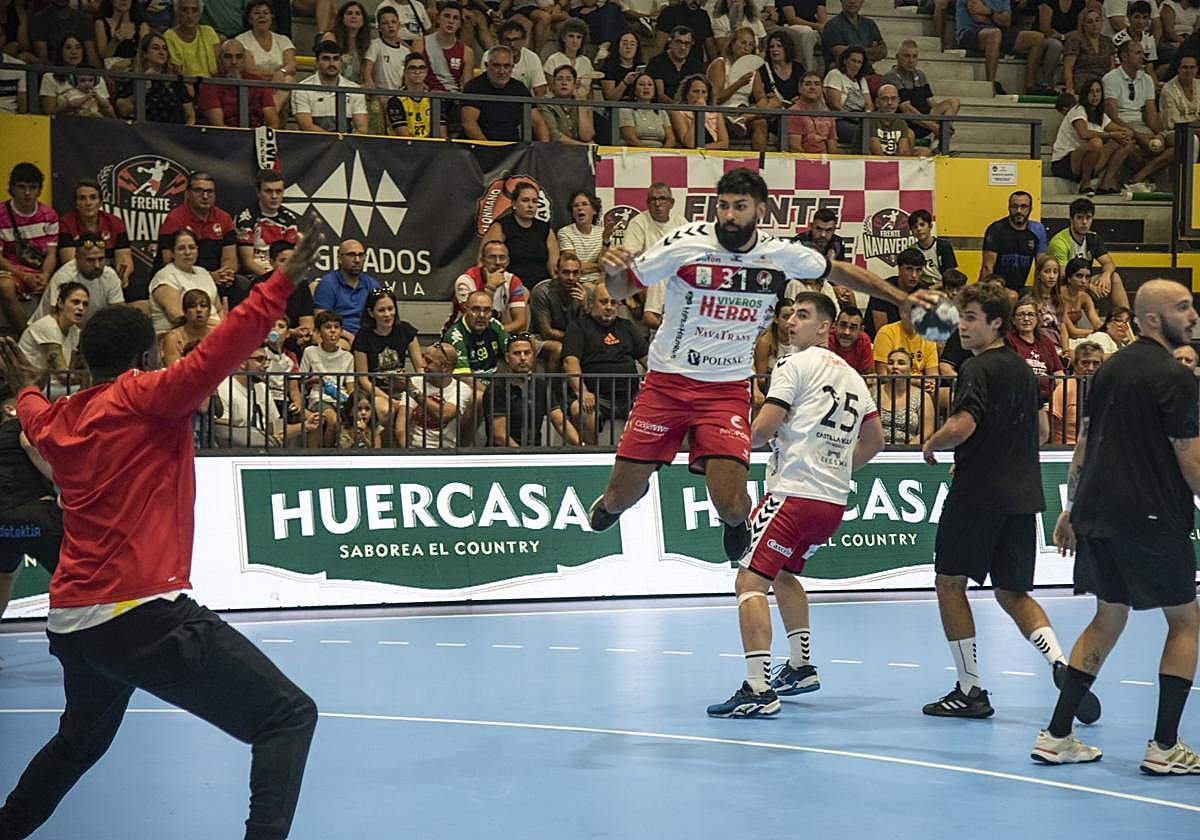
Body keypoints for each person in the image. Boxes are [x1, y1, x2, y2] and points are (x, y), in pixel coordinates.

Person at [0, 216, 321, 839]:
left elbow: (33, 414)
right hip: (141, 614)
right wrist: (277, 283)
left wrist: (27, 387)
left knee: (77, 744)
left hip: (74, 623)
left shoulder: (61, 418)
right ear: (144, 357)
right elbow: (221, 349)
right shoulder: (146, 397)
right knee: (287, 717)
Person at [592, 168, 935, 562]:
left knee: (732, 504)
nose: (730, 216)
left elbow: (838, 271)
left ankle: (735, 523)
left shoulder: (778, 253)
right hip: (666, 384)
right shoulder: (684, 244)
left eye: (740, 207)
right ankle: (610, 504)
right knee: (622, 497)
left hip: (725, 390)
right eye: (723, 206)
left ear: (761, 209)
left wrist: (899, 298)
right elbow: (622, 289)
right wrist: (613, 272)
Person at [1035, 279, 1200, 772]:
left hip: (1100, 518)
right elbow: (1189, 458)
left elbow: (1085, 442)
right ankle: (1165, 747)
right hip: (1152, 517)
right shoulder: (1176, 376)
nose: (1192, 315)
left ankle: (1058, 735)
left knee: (1109, 616)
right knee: (1186, 622)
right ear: (1153, 318)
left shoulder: (1107, 371)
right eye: (1182, 307)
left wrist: (1071, 507)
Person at [920, 281, 1100, 721]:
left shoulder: (977, 368)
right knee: (1012, 591)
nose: (961, 326)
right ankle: (1060, 663)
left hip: (979, 494)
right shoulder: (1024, 369)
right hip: (1023, 495)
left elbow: (962, 424)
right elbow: (1040, 433)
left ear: (995, 323)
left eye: (971, 318)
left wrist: (932, 443)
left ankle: (970, 690)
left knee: (949, 583)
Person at [706, 292, 885, 717]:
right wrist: (839, 469)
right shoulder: (855, 378)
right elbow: (875, 442)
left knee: (749, 584)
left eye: (803, 316)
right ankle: (802, 667)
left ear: (825, 327)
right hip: (831, 503)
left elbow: (763, 430)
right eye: (789, 316)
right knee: (784, 574)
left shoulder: (792, 365)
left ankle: (757, 689)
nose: (791, 322)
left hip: (793, 494)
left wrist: (722, 442)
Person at [0, 390, 60, 621]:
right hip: (35, 515)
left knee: (4, 575)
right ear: (10, 408)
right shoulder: (22, 423)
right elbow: (29, 444)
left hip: (3, 522)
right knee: (75, 575)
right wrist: (67, 483)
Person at [564, 282, 648, 445]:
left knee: (659, 407)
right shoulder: (578, 327)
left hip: (631, 395)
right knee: (579, 408)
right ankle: (590, 454)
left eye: (613, 302)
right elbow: (570, 362)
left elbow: (647, 359)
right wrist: (583, 392)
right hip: (597, 397)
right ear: (591, 303)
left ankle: (642, 458)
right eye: (603, 302)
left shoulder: (627, 326)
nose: (609, 306)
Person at [352, 286, 420, 445]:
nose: (388, 314)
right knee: (386, 410)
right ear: (371, 313)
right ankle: (386, 450)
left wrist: (414, 390)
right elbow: (363, 380)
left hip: (404, 389)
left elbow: (420, 369)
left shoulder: (406, 330)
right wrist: (389, 399)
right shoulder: (362, 337)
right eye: (381, 310)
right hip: (375, 392)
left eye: (391, 308)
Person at [1102, 40, 1174, 192]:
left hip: (1142, 125)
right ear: (1124, 56)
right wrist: (1139, 136)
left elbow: (1151, 115)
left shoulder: (1147, 79)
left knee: (1178, 146)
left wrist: (1160, 134)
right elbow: (1112, 115)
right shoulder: (1110, 78)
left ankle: (1138, 177)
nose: (1143, 57)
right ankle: (1143, 178)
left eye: (1142, 53)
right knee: (1133, 148)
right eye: (1138, 53)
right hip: (1121, 124)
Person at [1050, 78, 1134, 196]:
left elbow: (1121, 131)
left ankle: (1106, 184)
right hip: (1065, 162)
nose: (1095, 95)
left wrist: (1125, 133)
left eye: (1098, 91)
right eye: (1091, 92)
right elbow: (1083, 134)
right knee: (1096, 143)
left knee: (1127, 142)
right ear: (1085, 94)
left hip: (1089, 161)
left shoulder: (1100, 115)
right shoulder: (1078, 110)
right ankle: (1085, 184)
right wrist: (1110, 135)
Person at [0, 162, 57, 334]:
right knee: (4, 286)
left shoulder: (49, 215)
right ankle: (26, 336)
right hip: (12, 272)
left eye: (32, 188)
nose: (27, 193)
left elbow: (51, 254)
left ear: (39, 190)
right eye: (21, 187)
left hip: (40, 271)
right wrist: (24, 276)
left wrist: (45, 275)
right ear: (12, 188)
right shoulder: (1, 214)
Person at [1048, 197, 1128, 309]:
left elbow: (1109, 263)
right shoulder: (1059, 242)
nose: (1084, 222)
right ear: (1071, 219)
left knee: (1114, 277)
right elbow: (1063, 275)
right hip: (1062, 286)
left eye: (1088, 218)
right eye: (1079, 218)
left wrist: (1106, 275)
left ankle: (1127, 319)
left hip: (1082, 282)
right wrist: (1089, 286)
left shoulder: (1093, 238)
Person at [956, 0, 1050, 95]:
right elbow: (978, 18)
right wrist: (998, 18)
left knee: (1037, 38)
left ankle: (1030, 86)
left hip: (999, 31)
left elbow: (1007, 21)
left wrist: (989, 11)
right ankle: (990, 83)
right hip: (970, 32)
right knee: (995, 33)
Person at [56, 180, 133, 291]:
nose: (88, 203)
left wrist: (123, 276)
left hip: (110, 280)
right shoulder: (66, 223)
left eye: (93, 197)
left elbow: (124, 258)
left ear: (101, 202)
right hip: (78, 280)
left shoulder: (115, 222)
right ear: (76, 203)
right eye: (82, 198)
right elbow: (70, 262)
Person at [461, 44, 548, 142]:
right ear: (486, 66)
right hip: (480, 150)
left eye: (506, 66)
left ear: (512, 67)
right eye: (496, 66)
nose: (502, 71)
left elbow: (537, 122)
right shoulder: (474, 87)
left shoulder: (519, 89)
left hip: (513, 151)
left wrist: (544, 149)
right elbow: (468, 123)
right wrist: (489, 148)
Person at [32, 236, 124, 327]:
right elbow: (59, 321)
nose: (97, 265)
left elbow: (119, 313)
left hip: (87, 331)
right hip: (48, 332)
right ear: (77, 258)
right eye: (90, 260)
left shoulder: (110, 275)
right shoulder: (64, 278)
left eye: (101, 259)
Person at [482, 181, 558, 289]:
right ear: (513, 203)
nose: (530, 205)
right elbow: (486, 263)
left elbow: (554, 269)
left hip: (540, 288)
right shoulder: (501, 226)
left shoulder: (545, 229)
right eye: (525, 200)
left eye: (534, 201)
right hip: (509, 286)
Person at [882, 40, 960, 144]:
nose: (911, 60)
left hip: (925, 119)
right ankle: (941, 137)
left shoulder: (920, 74)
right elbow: (906, 108)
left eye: (914, 57)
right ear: (897, 57)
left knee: (953, 102)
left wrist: (944, 123)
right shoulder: (891, 77)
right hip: (907, 122)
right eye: (906, 56)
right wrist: (932, 126)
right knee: (910, 114)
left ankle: (940, 143)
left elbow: (931, 102)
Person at [149, 230, 222, 339]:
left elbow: (219, 309)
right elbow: (179, 317)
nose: (187, 252)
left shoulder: (203, 272)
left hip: (212, 333)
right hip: (179, 339)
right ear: (172, 253)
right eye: (181, 248)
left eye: (192, 248)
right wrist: (222, 327)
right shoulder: (165, 276)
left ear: (197, 251)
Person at [707, 26, 770, 151]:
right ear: (732, 44)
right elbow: (716, 98)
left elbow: (760, 95)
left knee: (762, 122)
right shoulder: (720, 64)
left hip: (744, 111)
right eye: (743, 43)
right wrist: (738, 84)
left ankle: (760, 164)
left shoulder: (753, 70)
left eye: (751, 45)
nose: (747, 47)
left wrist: (762, 103)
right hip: (723, 112)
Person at [114, 32, 195, 124]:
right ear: (145, 54)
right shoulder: (131, 78)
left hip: (174, 133)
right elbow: (124, 110)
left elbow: (190, 115)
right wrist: (143, 86)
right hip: (143, 132)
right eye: (155, 48)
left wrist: (186, 132)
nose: (161, 52)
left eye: (164, 49)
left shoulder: (174, 80)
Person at [197, 37, 279, 128]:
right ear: (220, 59)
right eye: (228, 57)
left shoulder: (259, 82)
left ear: (244, 59)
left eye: (238, 57)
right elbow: (218, 125)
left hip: (257, 135)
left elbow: (273, 123)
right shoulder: (209, 85)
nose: (234, 62)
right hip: (224, 137)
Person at [450, 240, 529, 333]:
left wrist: (496, 336)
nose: (498, 262)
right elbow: (472, 321)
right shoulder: (466, 281)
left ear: (508, 261)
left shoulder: (513, 281)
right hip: (460, 333)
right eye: (492, 257)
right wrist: (490, 288)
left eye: (502, 257)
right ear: (482, 260)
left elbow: (520, 323)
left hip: (494, 334)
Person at [406, 341, 474, 449]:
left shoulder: (462, 389)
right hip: (414, 451)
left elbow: (443, 415)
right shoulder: (415, 382)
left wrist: (414, 392)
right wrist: (407, 454)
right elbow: (400, 427)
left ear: (444, 367)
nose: (422, 365)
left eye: (428, 361)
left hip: (446, 452)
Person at [17, 281, 86, 386]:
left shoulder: (75, 331)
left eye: (85, 304)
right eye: (75, 302)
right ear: (60, 303)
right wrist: (86, 379)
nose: (81, 308)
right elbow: (63, 376)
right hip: (32, 386)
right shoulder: (47, 326)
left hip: (54, 387)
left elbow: (69, 372)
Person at [235, 169, 300, 280]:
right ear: (258, 192)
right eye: (268, 191)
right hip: (255, 276)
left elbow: (289, 256)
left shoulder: (289, 218)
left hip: (282, 274)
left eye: (278, 191)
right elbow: (247, 262)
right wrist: (272, 278)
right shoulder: (246, 218)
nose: (274, 196)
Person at [293, 39, 369, 133]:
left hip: (346, 143)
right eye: (326, 59)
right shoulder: (302, 89)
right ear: (316, 62)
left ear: (341, 62)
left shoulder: (354, 89)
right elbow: (306, 126)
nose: (332, 64)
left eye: (336, 59)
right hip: (313, 143)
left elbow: (362, 127)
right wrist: (334, 142)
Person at [980, 190, 1048, 295]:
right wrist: (983, 295)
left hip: (1020, 287)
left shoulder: (1038, 230)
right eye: (1014, 206)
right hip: (997, 287)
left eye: (1024, 206)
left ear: (1030, 209)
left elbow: (1042, 266)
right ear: (1009, 208)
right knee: (1012, 296)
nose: (1019, 211)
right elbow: (987, 267)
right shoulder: (996, 229)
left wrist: (1042, 295)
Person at [236, 0, 296, 114]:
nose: (261, 16)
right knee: (285, 83)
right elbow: (250, 70)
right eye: (257, 13)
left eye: (265, 13)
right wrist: (276, 77)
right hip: (254, 85)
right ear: (249, 19)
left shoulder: (283, 40)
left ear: (271, 17)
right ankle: (271, 116)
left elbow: (291, 65)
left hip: (278, 87)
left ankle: (270, 114)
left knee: (288, 79)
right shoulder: (241, 40)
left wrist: (281, 73)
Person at [312, 239, 380, 337]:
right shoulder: (328, 284)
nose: (357, 260)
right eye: (351, 255)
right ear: (339, 258)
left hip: (368, 337)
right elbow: (322, 322)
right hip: (339, 337)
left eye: (361, 255)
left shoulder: (372, 284)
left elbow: (381, 316)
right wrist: (349, 337)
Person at [529, 253, 585, 371]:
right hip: (539, 338)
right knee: (559, 349)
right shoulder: (542, 291)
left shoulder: (584, 294)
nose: (571, 277)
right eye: (565, 272)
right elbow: (547, 332)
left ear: (580, 274)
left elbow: (589, 329)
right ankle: (551, 389)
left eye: (575, 273)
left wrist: (584, 307)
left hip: (572, 339)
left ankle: (583, 389)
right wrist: (577, 339)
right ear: (557, 272)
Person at [38, 36, 115, 118]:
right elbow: (49, 114)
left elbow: (108, 111)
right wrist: (67, 106)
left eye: (78, 48)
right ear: (60, 52)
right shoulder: (49, 77)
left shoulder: (96, 76)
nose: (74, 52)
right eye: (68, 48)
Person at [1008, 295, 1064, 403]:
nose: (1026, 319)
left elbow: (1058, 374)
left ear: (1037, 319)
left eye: (1030, 314)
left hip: (1049, 399)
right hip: (1022, 398)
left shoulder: (1045, 341)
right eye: (1020, 315)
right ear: (1013, 320)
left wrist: (1059, 397)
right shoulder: (1008, 341)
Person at [876, 347, 935, 445]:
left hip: (908, 450)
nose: (895, 366)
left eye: (901, 363)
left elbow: (927, 432)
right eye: (890, 363)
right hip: (874, 448)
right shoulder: (872, 392)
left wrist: (908, 449)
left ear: (911, 370)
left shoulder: (922, 397)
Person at [414, 1, 472, 100]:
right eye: (447, 16)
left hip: (453, 100)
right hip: (426, 98)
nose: (451, 21)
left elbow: (467, 88)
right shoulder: (420, 43)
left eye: (455, 18)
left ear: (460, 24)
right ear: (438, 19)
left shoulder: (467, 52)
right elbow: (414, 75)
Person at [1049, 339, 1102, 444]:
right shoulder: (1064, 389)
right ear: (1075, 364)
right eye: (1085, 363)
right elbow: (1049, 423)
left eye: (1095, 363)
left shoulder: (1106, 389)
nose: (1090, 368)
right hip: (1066, 450)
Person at [866, 247, 930, 335]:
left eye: (918, 270)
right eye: (909, 269)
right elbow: (882, 332)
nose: (914, 275)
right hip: (879, 342)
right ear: (899, 269)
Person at [385, 52, 447, 138]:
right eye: (412, 68)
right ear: (405, 71)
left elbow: (442, 134)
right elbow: (403, 135)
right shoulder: (395, 100)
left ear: (426, 71)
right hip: (403, 147)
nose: (417, 72)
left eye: (421, 68)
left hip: (432, 147)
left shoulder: (434, 99)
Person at [823, 44, 871, 145]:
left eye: (859, 62)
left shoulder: (861, 80)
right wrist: (854, 117)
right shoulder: (835, 74)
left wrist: (866, 116)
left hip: (860, 119)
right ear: (845, 61)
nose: (856, 65)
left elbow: (869, 104)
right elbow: (835, 105)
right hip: (840, 120)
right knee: (864, 133)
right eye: (853, 61)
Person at [1063, 5, 1116, 95]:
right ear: (1083, 24)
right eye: (1089, 22)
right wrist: (1069, 88)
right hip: (1083, 81)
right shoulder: (1075, 40)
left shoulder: (1108, 41)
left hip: (1104, 81)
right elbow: (1068, 67)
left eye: (1097, 20)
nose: (1094, 24)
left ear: (1102, 22)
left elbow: (1112, 67)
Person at [485, 20, 548, 95]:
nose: (512, 44)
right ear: (500, 41)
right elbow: (485, 85)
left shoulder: (532, 57)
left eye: (516, 40)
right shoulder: (489, 55)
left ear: (523, 40)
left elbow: (540, 90)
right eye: (507, 40)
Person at [538, 64, 596, 145]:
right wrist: (582, 145)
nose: (564, 83)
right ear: (553, 85)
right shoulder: (545, 103)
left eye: (568, 79)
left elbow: (587, 136)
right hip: (554, 151)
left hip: (578, 152)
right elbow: (554, 136)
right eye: (559, 79)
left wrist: (580, 102)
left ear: (575, 85)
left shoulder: (582, 102)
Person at [752, 297, 795, 406]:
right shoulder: (766, 342)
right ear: (776, 319)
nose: (790, 321)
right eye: (785, 317)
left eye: (794, 317)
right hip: (770, 393)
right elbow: (761, 379)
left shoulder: (802, 341)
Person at [30, 0, 97, 67]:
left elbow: (91, 54)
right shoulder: (39, 19)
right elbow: (43, 59)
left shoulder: (83, 19)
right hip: (53, 71)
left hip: (82, 72)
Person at [647, 25, 705, 103]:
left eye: (687, 43)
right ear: (670, 43)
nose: (683, 47)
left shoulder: (696, 66)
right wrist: (678, 108)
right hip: (663, 109)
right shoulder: (656, 62)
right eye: (678, 42)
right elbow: (660, 95)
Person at [619, 72, 678, 147]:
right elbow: (630, 138)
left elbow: (671, 139)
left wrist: (662, 153)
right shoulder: (626, 110)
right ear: (634, 90)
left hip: (659, 152)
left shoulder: (661, 111)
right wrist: (648, 153)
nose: (646, 87)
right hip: (636, 153)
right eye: (641, 84)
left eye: (650, 84)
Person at [822, 0, 886, 70]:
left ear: (862, 1)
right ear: (841, 1)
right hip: (841, 74)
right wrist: (870, 52)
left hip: (867, 73)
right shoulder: (833, 25)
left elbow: (883, 51)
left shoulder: (869, 24)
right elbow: (839, 52)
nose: (852, 1)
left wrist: (854, 51)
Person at [557, 191, 604, 283]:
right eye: (576, 205)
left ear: (594, 210)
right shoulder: (565, 232)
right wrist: (598, 266)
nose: (580, 208)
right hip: (576, 281)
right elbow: (572, 266)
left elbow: (606, 266)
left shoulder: (602, 232)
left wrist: (606, 240)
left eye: (584, 204)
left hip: (600, 281)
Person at [786, 70, 838, 154]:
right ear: (800, 88)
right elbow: (795, 148)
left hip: (825, 162)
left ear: (821, 89)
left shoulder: (828, 114)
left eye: (817, 84)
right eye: (808, 84)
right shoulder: (793, 112)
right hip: (803, 162)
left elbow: (832, 147)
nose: (812, 87)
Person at [160, 287, 214, 366]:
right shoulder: (173, 338)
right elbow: (173, 373)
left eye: (203, 306)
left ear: (209, 312)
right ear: (185, 312)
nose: (198, 310)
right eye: (192, 306)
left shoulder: (217, 334)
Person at [165, 0, 219, 77]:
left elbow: (220, 63)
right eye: (184, 10)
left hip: (212, 84)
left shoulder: (209, 31)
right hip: (184, 84)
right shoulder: (169, 36)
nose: (190, 15)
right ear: (178, 13)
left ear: (200, 14)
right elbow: (177, 71)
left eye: (194, 10)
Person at [867, 83, 919, 157]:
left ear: (898, 102)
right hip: (871, 164)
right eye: (885, 98)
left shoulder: (901, 122)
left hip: (893, 163)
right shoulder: (869, 121)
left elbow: (904, 153)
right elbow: (877, 153)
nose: (889, 103)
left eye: (893, 98)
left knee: (925, 152)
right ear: (877, 102)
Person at [94, 0, 148, 72]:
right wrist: (114, 42)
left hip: (135, 72)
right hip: (110, 71)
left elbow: (145, 55)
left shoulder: (142, 26)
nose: (123, 0)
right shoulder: (100, 23)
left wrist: (129, 62)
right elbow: (104, 56)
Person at [908, 209, 956, 286]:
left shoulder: (943, 246)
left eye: (922, 225)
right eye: (915, 227)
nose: (919, 229)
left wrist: (934, 287)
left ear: (930, 226)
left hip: (944, 287)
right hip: (921, 288)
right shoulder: (912, 250)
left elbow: (952, 276)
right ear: (912, 231)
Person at [775, 0, 824, 71]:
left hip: (813, 27)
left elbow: (822, 18)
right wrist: (817, 26)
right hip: (789, 27)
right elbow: (792, 19)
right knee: (807, 32)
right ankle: (808, 70)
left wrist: (823, 27)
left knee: (831, 31)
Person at [828, 304, 873, 374]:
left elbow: (867, 375)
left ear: (861, 330)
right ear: (835, 325)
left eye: (853, 327)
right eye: (843, 325)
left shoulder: (864, 341)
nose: (847, 332)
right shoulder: (825, 338)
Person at [1161, 51, 1200, 132]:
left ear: (1197, 69)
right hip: (1176, 131)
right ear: (1178, 69)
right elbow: (1172, 123)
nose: (1188, 71)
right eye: (1185, 67)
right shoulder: (1168, 90)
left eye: (1192, 67)